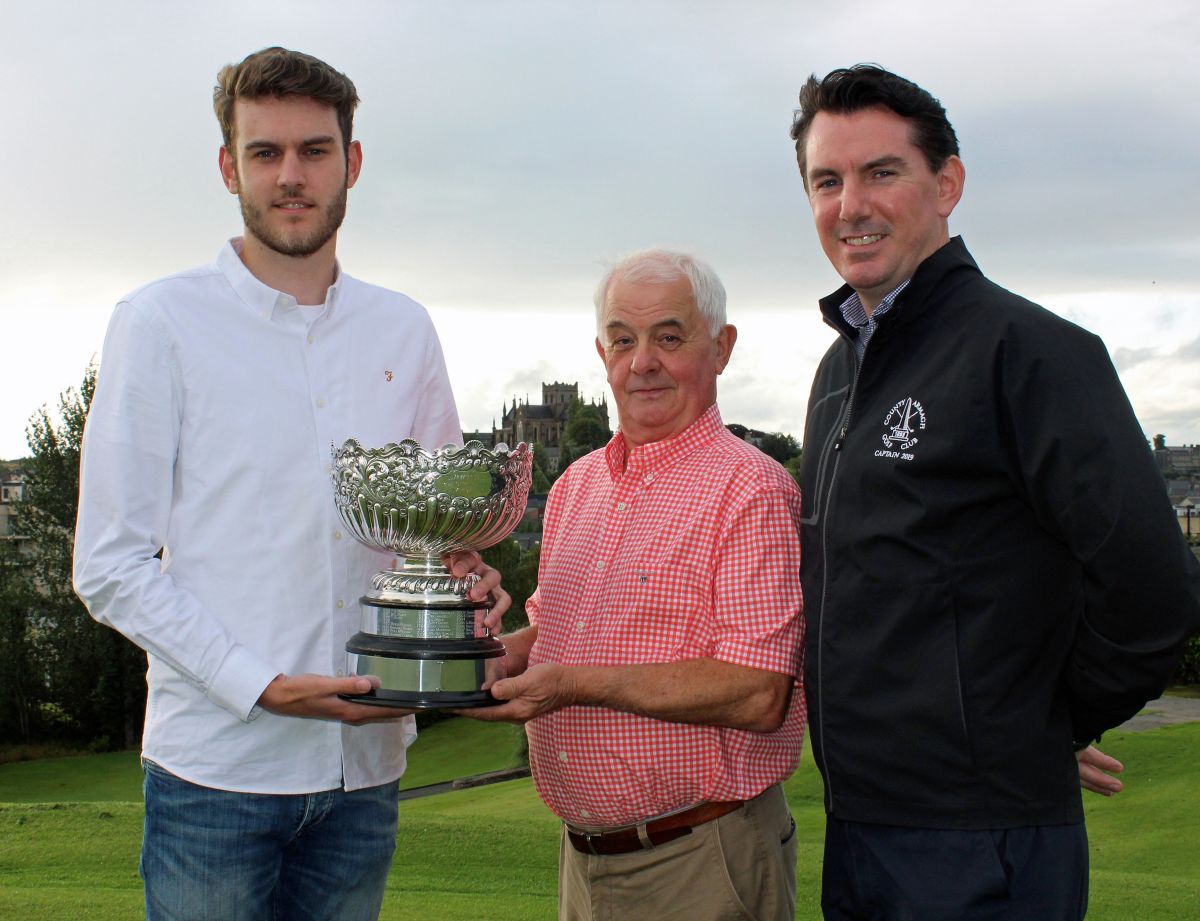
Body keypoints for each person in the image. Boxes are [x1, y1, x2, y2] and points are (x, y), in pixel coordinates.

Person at [72, 47, 505, 921]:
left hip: (366, 776)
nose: (291, 176)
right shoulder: (158, 323)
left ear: (352, 161)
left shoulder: (404, 328)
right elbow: (109, 565)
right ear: (229, 166)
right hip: (217, 772)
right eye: (265, 152)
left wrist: (464, 577)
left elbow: (436, 533)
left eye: (314, 150)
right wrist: (260, 683)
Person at [789, 64, 1200, 920]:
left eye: (881, 172)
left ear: (947, 184)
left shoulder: (1031, 352)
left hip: (981, 848)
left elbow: (1154, 588)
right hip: (860, 830)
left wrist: (1037, 727)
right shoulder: (837, 372)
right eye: (827, 181)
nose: (851, 205)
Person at [459, 249, 805, 921]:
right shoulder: (577, 485)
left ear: (721, 347)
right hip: (582, 861)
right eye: (622, 340)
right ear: (602, 352)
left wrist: (572, 684)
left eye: (668, 337)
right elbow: (556, 632)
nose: (642, 361)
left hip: (702, 859)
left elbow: (759, 691)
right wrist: (492, 659)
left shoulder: (751, 490)